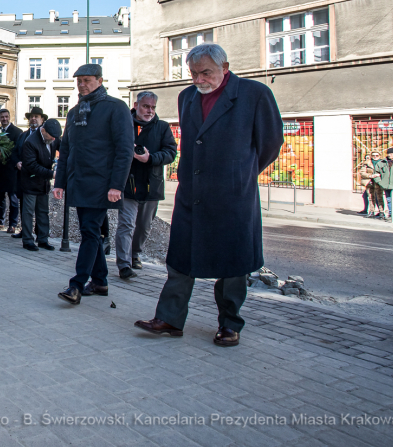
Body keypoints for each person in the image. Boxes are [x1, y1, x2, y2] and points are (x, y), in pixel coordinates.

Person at [135, 43, 283, 347]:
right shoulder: (186, 97)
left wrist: (241, 173)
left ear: (225, 68)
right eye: (193, 73)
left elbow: (270, 144)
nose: (199, 79)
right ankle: (170, 319)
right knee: (180, 259)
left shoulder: (254, 94)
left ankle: (230, 324)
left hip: (233, 195)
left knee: (233, 265)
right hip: (193, 192)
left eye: (206, 73)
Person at [53, 65, 134, 304]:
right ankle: (100, 282)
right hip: (79, 183)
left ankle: (76, 285)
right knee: (92, 232)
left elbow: (124, 150)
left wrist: (117, 185)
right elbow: (66, 149)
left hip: (102, 184)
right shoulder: (75, 111)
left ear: (99, 80)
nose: (82, 85)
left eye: (87, 80)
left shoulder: (115, 108)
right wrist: (60, 182)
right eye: (78, 81)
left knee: (89, 231)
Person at [114, 91, 178, 278]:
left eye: (152, 107)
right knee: (126, 225)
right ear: (136, 105)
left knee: (144, 226)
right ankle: (124, 265)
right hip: (127, 184)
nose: (149, 111)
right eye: (145, 106)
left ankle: (135, 254)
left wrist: (150, 158)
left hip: (151, 186)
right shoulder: (124, 125)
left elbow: (171, 153)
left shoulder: (163, 128)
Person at [20, 118, 61, 251]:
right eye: (51, 136)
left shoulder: (53, 139)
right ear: (43, 130)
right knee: (28, 212)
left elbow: (64, 149)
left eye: (56, 137)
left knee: (43, 212)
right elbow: (31, 165)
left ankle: (43, 239)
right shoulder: (31, 142)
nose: (54, 139)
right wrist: (51, 174)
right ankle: (27, 240)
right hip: (31, 182)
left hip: (43, 184)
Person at [10, 107, 46, 238]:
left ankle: (39, 232)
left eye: (37, 116)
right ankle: (25, 230)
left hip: (39, 177)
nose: (33, 118)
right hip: (23, 177)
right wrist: (17, 162)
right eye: (31, 116)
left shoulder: (44, 135)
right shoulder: (22, 135)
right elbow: (14, 153)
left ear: (42, 119)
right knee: (24, 205)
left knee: (39, 208)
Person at [0, 109, 22, 233]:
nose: (4, 119)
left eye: (6, 116)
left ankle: (13, 224)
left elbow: (19, 150)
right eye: (2, 117)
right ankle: (0, 222)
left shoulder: (17, 132)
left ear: (9, 117)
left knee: (13, 199)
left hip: (12, 171)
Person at [359, 151, 385, 219]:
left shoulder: (383, 163)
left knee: (379, 198)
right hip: (370, 182)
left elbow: (386, 172)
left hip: (379, 182)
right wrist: (371, 175)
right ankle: (371, 212)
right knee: (371, 198)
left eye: (377, 155)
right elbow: (362, 172)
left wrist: (379, 175)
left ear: (380, 155)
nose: (375, 156)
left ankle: (381, 212)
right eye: (373, 155)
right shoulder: (367, 163)